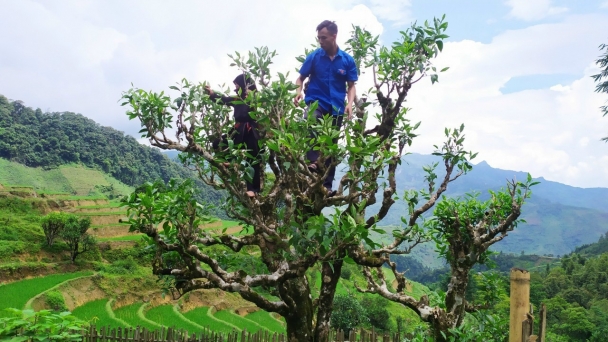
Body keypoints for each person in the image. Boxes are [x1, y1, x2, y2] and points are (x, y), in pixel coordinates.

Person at [294, 20, 358, 197]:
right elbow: (300, 78)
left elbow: (351, 86)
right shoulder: (314, 57)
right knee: (311, 123)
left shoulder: (346, 60)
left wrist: (350, 104)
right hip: (316, 102)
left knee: (331, 147)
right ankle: (312, 162)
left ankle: (327, 187)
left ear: (333, 36)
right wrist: (298, 93)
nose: (320, 41)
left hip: (336, 107)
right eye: (318, 38)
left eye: (323, 38)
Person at [205, 74, 261, 198]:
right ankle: (232, 162)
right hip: (237, 130)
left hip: (252, 131)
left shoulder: (256, 98)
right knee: (218, 143)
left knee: (252, 160)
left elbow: (264, 112)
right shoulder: (237, 99)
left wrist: (251, 97)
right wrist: (212, 94)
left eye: (237, 84)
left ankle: (253, 190)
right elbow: (224, 99)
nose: (235, 87)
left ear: (244, 84)